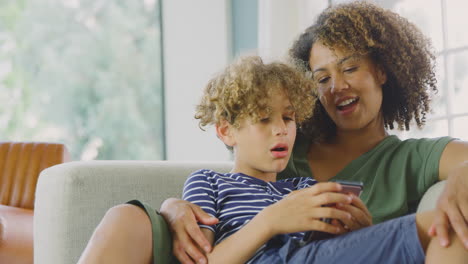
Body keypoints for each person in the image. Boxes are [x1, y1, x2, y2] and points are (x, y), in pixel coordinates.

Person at [77, 2, 468, 264]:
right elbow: (225, 206)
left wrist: (458, 184)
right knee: (124, 217)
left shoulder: (409, 158)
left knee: (441, 224)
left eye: (349, 69)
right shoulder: (285, 156)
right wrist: (172, 205)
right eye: (322, 78)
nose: (336, 87)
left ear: (382, 71)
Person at [179, 56, 466, 263]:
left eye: (288, 117)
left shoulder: (303, 186)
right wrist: (270, 221)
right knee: (438, 226)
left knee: (444, 230)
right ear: (226, 131)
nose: (281, 129)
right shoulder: (207, 182)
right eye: (264, 118)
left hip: (310, 257)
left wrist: (361, 231)